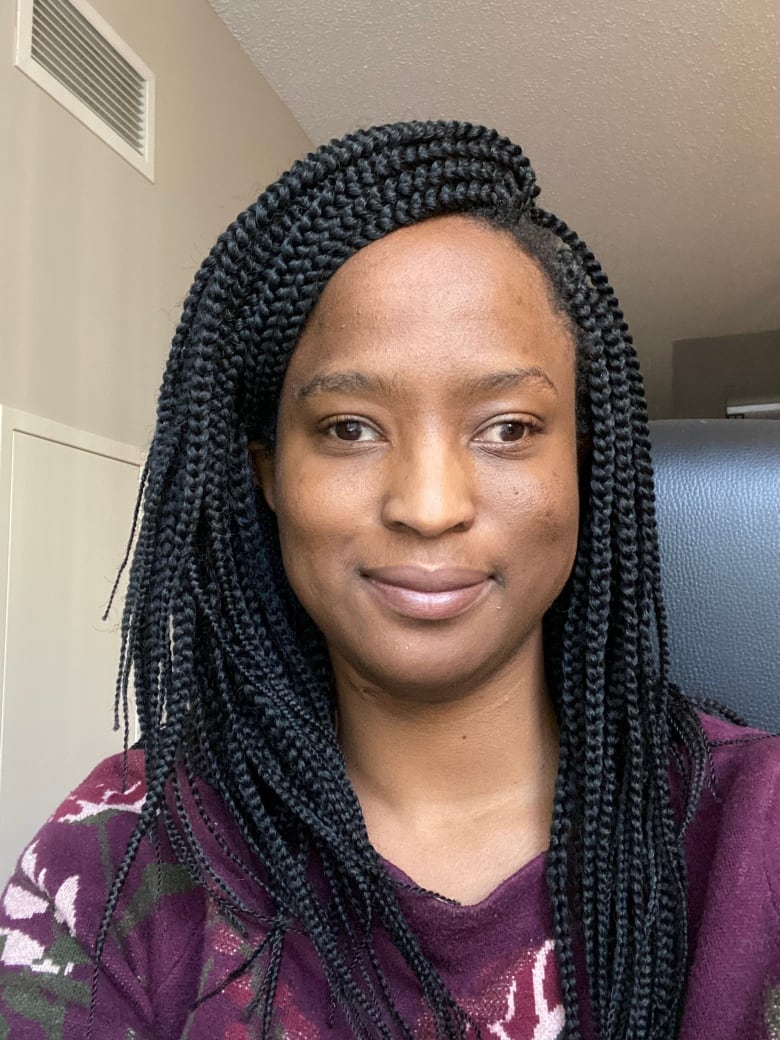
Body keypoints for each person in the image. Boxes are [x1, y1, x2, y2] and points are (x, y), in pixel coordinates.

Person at [0, 120, 777, 1040]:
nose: (430, 504)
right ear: (268, 475)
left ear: (585, 465)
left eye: (509, 428)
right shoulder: (118, 852)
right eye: (350, 429)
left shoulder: (757, 835)